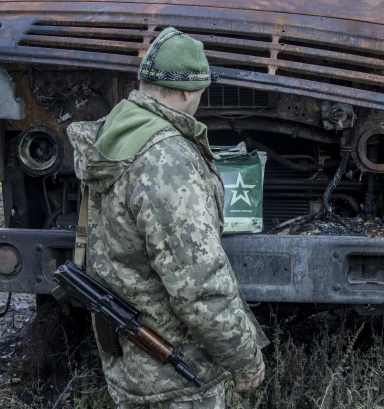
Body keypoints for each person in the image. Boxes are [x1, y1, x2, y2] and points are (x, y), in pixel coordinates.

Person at [68, 27, 269, 409]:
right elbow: (199, 284)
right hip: (177, 374)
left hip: (132, 366)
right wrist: (244, 359)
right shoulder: (167, 159)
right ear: (188, 92)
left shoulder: (115, 135)